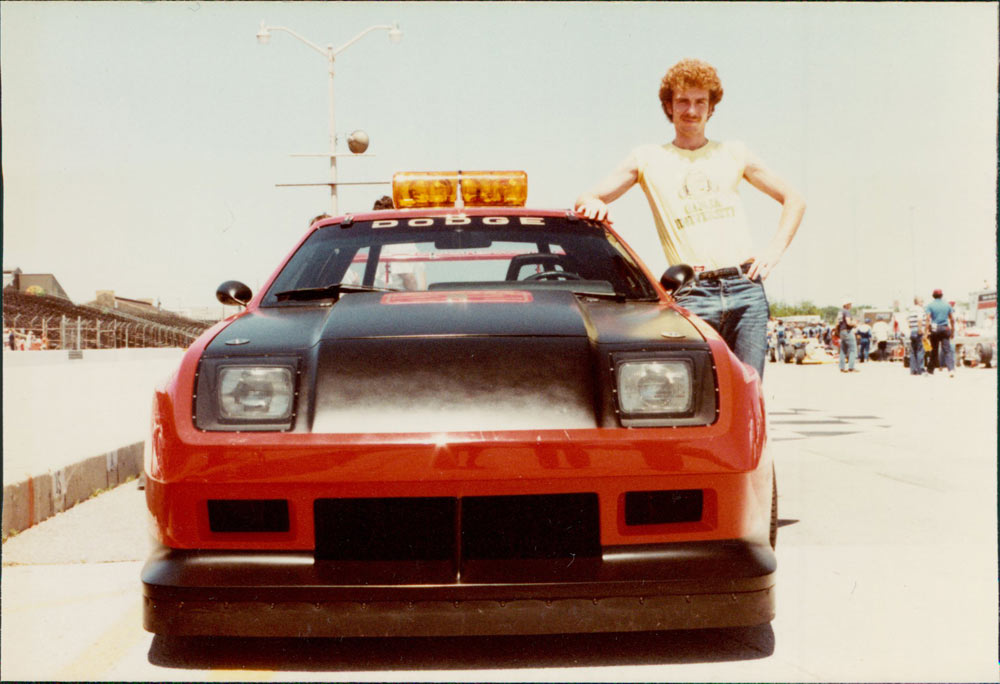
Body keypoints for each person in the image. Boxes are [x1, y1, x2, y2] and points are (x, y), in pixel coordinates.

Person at [574, 58, 806, 380]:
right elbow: (588, 196)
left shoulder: (734, 152)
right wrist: (592, 203)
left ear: (712, 108)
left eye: (700, 102)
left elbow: (793, 199)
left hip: (746, 290)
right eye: (682, 101)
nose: (691, 110)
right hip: (693, 293)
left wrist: (773, 252)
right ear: (669, 106)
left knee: (750, 391)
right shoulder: (647, 158)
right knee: (696, 394)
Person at [925, 288, 955, 377]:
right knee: (947, 350)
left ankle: (930, 370)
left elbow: (927, 319)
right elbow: (952, 319)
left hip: (934, 329)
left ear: (933, 296)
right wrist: (952, 330)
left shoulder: (929, 305)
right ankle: (951, 370)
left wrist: (926, 332)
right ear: (942, 295)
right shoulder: (947, 305)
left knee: (934, 350)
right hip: (945, 329)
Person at [905, 296, 928, 376]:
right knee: (920, 350)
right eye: (922, 301)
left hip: (912, 331)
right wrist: (920, 329)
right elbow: (920, 319)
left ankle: (913, 370)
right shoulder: (920, 309)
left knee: (913, 351)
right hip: (918, 330)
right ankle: (920, 369)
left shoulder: (911, 310)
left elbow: (907, 320)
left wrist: (912, 328)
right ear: (918, 302)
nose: (923, 303)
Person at [837, 298, 859, 373]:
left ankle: (842, 367)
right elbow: (848, 322)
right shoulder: (846, 312)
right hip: (847, 331)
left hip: (841, 331)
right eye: (850, 304)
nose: (851, 305)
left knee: (843, 350)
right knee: (853, 349)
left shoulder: (840, 312)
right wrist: (855, 324)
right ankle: (851, 367)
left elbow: (837, 323)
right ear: (846, 305)